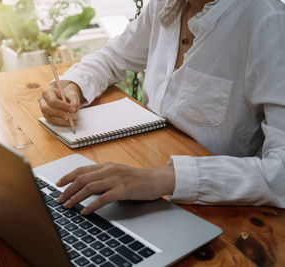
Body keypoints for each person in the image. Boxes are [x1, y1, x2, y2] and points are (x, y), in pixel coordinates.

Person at [38, 0, 285, 215]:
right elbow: (113, 56)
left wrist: (163, 179)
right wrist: (73, 86)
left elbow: (281, 173)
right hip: (144, 169)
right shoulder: (166, 5)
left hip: (222, 207)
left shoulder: (269, 22)